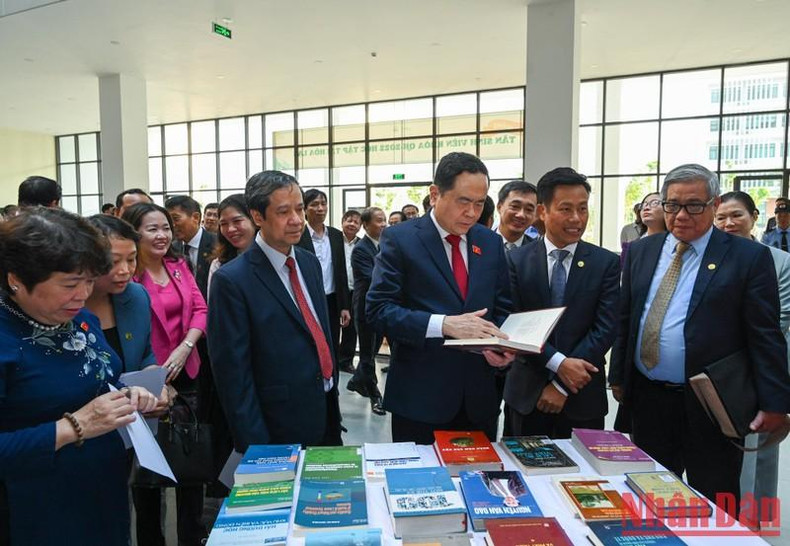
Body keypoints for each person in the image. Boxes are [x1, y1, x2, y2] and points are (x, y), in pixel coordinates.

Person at [609, 163, 790, 511]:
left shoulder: (748, 257)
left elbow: (765, 335)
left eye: (693, 205)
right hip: (649, 399)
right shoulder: (643, 251)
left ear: (714, 204)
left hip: (712, 402)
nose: (680, 214)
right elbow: (627, 318)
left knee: (714, 497)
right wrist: (619, 376)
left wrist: (775, 401)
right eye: (672, 204)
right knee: (650, 497)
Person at [0, 208, 157, 544]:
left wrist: (127, 395)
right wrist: (75, 426)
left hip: (103, 493)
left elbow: (98, 381)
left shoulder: (81, 319)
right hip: (35, 509)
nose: (84, 294)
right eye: (71, 283)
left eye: (88, 280)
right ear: (16, 278)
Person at [367, 152, 514, 444]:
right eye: (463, 201)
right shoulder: (401, 239)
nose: (472, 213)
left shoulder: (490, 242)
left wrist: (502, 348)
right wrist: (443, 324)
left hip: (478, 400)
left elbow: (502, 307)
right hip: (421, 401)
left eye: (479, 203)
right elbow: (379, 310)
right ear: (435, 194)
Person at [208, 171, 342, 449]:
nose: (297, 220)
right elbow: (233, 375)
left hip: (325, 410)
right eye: (283, 212)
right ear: (258, 217)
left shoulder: (308, 262)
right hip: (275, 427)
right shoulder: (232, 280)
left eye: (299, 209)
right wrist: (255, 446)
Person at [504, 168, 619, 438]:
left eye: (582, 209)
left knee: (583, 478)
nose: (576, 219)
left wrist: (563, 385)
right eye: (566, 209)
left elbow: (605, 328)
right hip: (527, 393)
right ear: (542, 211)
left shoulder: (605, 263)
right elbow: (514, 324)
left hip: (582, 395)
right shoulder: (516, 260)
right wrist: (558, 364)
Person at [122, 202, 208, 546]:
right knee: (148, 472)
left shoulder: (178, 265)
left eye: (166, 228)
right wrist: (155, 371)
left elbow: (200, 308)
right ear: (134, 233)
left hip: (186, 375)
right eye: (152, 229)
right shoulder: (127, 276)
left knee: (191, 460)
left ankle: (191, 535)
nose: (162, 236)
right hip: (147, 382)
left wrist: (186, 345)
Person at [714, 191, 790, 525]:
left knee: (760, 446)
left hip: (760, 364)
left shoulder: (779, 260)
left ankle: (754, 516)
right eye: (722, 217)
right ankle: (729, 515)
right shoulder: (708, 256)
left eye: (737, 215)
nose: (729, 223)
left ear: (755, 217)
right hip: (715, 368)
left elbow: (780, 317)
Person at [297, 189, 352, 369]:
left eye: (323, 203)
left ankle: (333, 385)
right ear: (304, 209)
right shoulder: (298, 236)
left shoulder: (336, 235)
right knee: (311, 343)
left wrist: (344, 305)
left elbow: (341, 272)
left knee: (332, 343)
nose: (320, 208)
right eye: (314, 204)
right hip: (308, 300)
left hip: (332, 300)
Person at [346, 207, 387, 416]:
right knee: (367, 356)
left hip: (380, 309)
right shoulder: (361, 249)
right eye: (379, 221)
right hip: (364, 308)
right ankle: (375, 396)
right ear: (366, 225)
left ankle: (356, 381)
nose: (383, 224)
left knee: (371, 351)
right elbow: (374, 279)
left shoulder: (384, 246)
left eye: (385, 220)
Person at [165, 195, 218, 299]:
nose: (172, 225)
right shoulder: (171, 249)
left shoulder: (217, 245)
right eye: (168, 220)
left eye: (175, 219)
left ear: (196, 217)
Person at [207, 194, 257, 296]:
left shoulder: (274, 258)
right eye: (224, 224)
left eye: (237, 221)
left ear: (255, 220)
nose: (230, 229)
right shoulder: (219, 265)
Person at [338, 209, 362, 373]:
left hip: (354, 290)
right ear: (343, 222)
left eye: (356, 222)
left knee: (351, 328)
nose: (352, 224)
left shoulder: (361, 244)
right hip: (337, 289)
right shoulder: (333, 240)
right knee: (333, 325)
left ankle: (345, 361)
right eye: (349, 220)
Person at [496, 180, 538, 250]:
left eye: (529, 209)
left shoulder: (538, 251)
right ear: (499, 207)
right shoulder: (480, 243)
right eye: (515, 206)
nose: (521, 215)